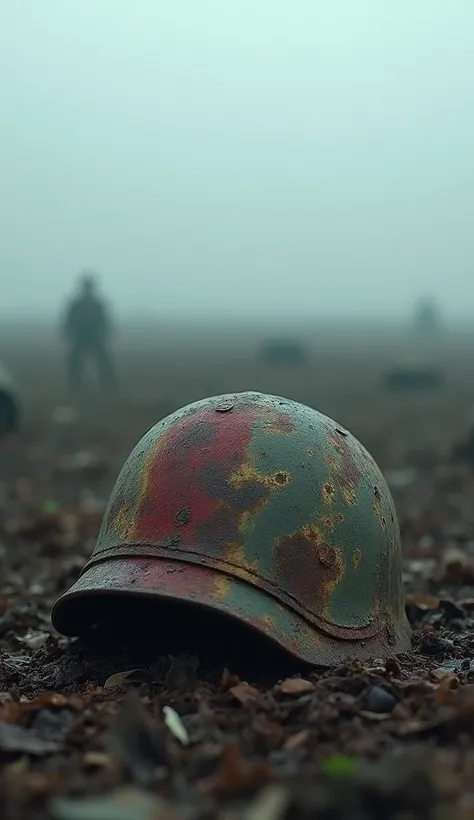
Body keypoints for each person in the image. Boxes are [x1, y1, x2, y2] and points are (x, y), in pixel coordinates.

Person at [62, 272, 117, 391]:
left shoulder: (96, 304)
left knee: (104, 361)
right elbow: (70, 320)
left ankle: (109, 384)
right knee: (75, 362)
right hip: (82, 335)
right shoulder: (78, 304)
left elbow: (104, 321)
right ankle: (75, 384)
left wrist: (106, 332)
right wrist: (67, 332)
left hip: (93, 336)